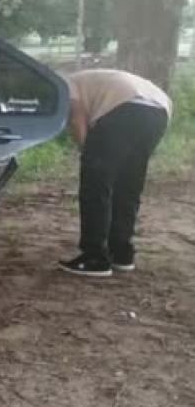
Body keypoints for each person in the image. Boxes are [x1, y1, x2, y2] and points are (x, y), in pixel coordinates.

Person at [59, 69, 171, 277]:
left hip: (124, 107)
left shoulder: (64, 82)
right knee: (128, 185)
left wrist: (89, 154)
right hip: (159, 109)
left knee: (96, 184)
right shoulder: (92, 80)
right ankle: (121, 252)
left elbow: (76, 118)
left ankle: (94, 257)